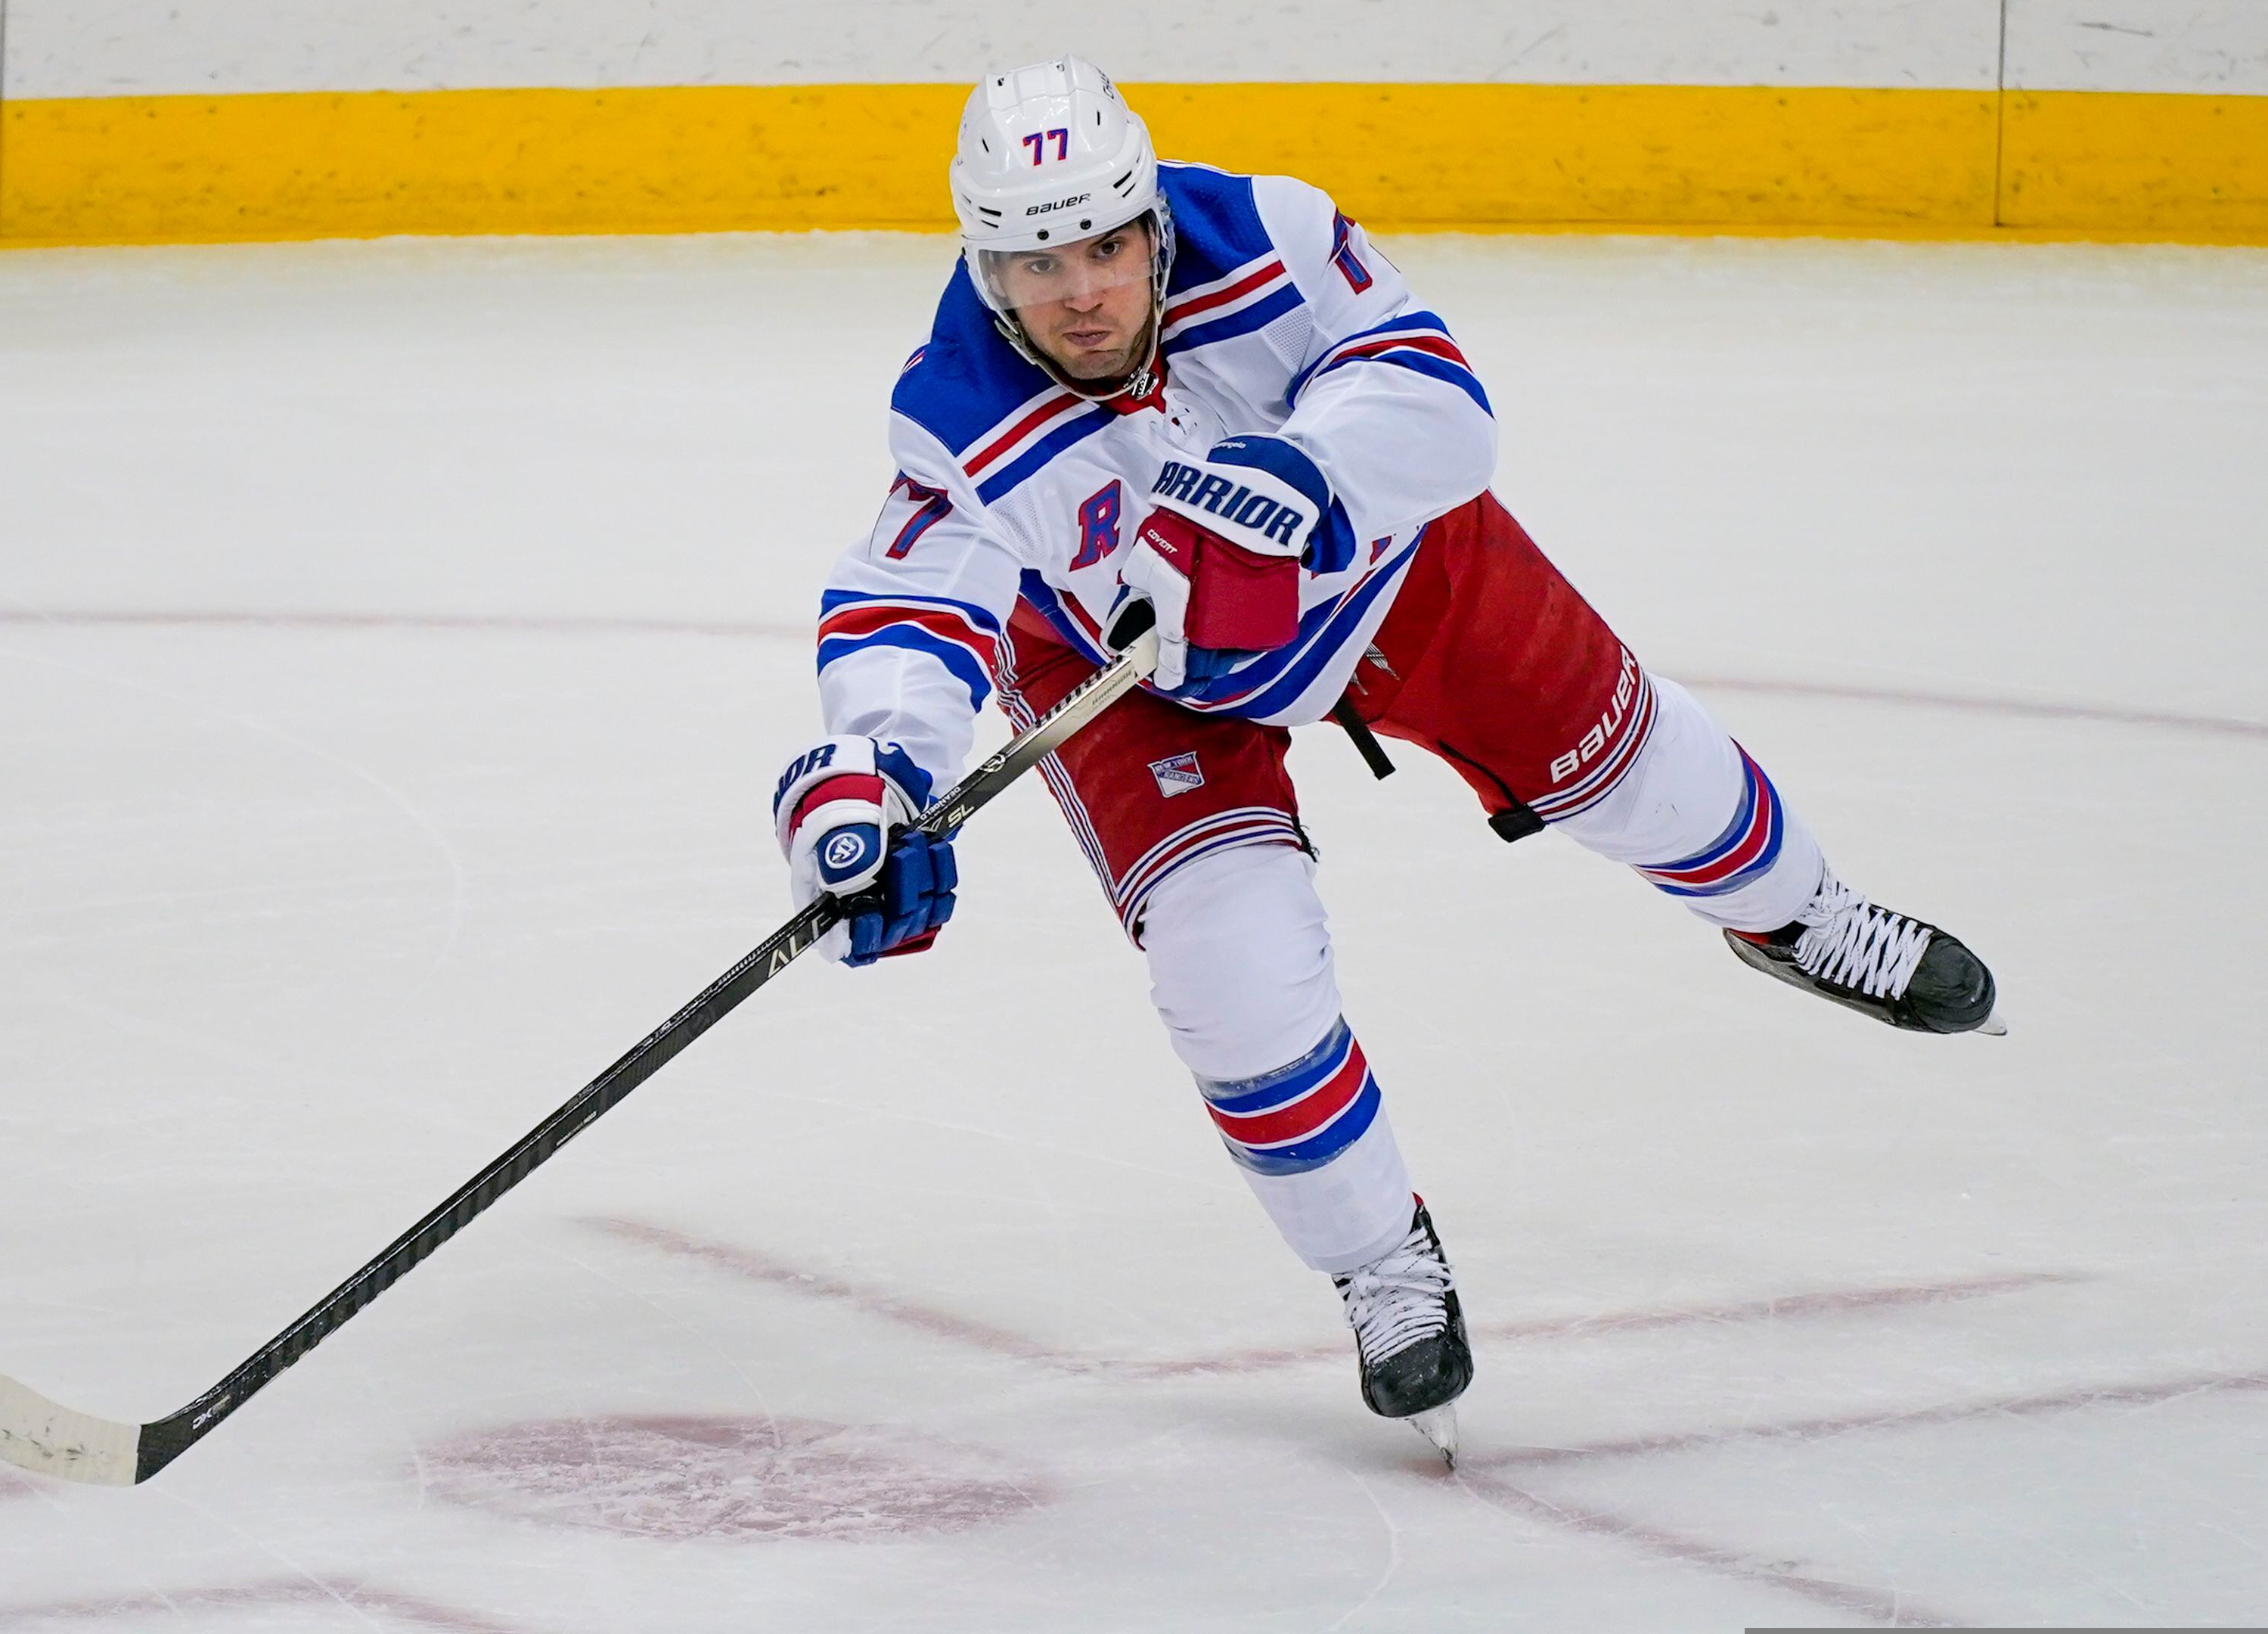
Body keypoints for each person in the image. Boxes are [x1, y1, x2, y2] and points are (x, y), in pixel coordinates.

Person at [768, 57, 2001, 1464]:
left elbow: (1442, 401)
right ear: (986, 266)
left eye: (1108, 245)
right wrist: (870, 781)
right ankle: (1375, 1260)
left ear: (1154, 224)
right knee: (1227, 968)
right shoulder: (957, 411)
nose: (1085, 292)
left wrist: (1295, 483)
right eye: (1039, 262)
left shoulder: (1273, 236)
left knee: (1657, 777)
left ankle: (1799, 918)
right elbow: (909, 608)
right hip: (1133, 680)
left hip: (1397, 576)